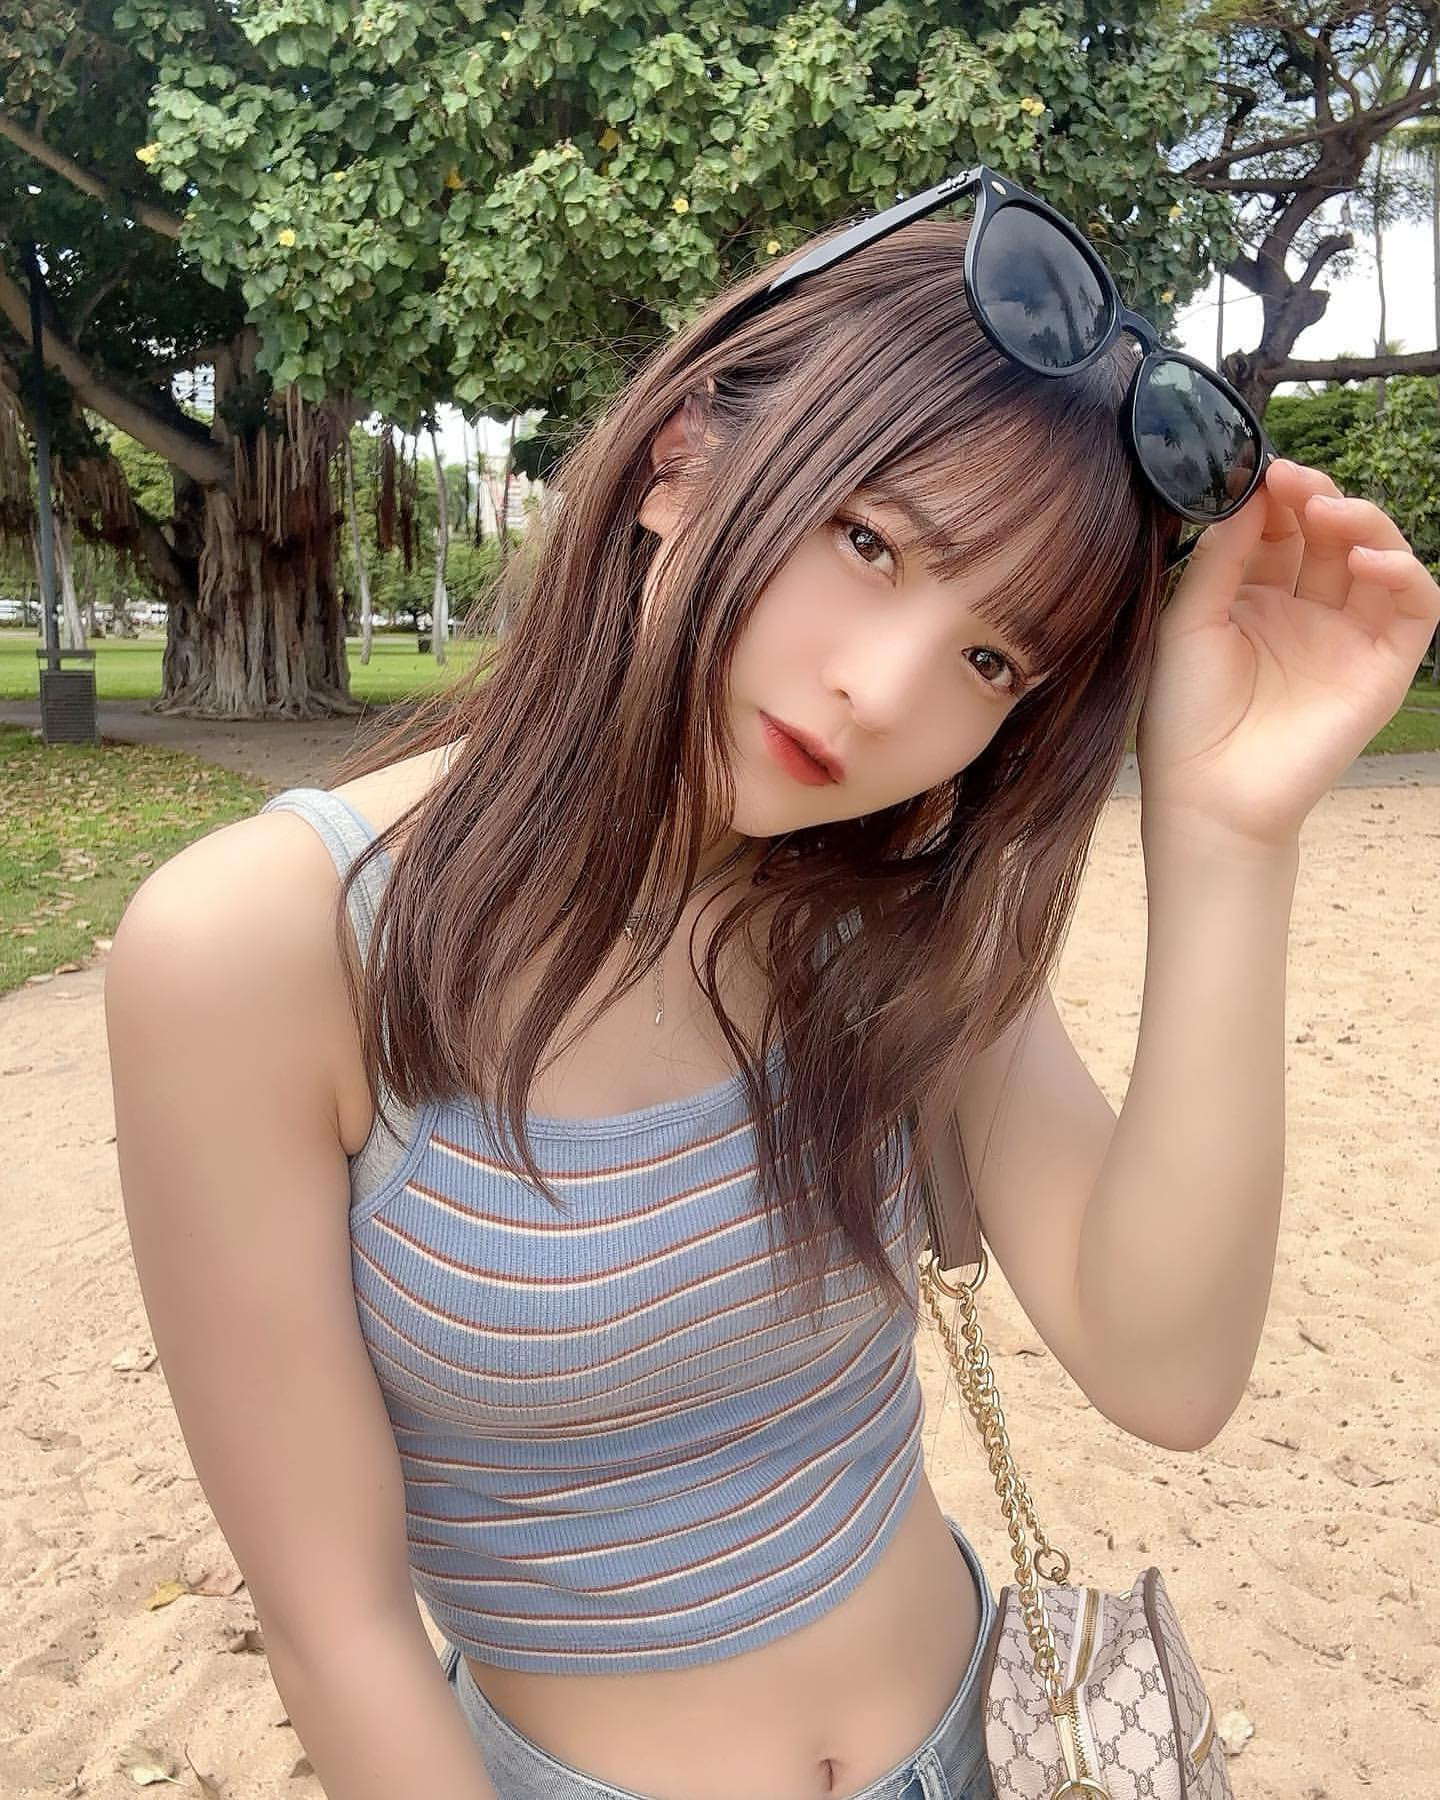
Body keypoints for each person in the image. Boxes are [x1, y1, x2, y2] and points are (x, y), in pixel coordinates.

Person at [104, 168, 1439, 1800]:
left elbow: (1165, 1369)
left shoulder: (882, 908)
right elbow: (338, 1627)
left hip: (986, 1744)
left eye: (991, 658)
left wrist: (1230, 833)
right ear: (683, 459)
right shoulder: (266, 949)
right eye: (868, 541)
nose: (880, 691)